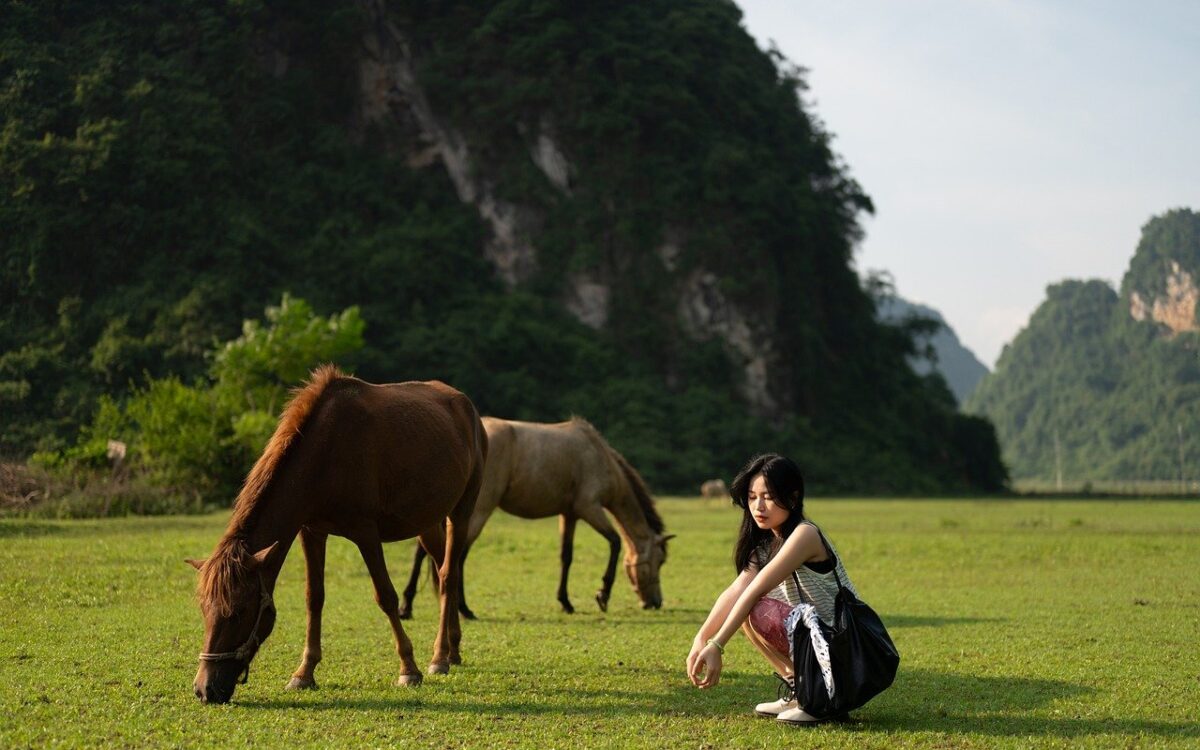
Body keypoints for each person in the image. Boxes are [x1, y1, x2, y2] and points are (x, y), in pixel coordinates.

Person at [685, 453, 859, 725]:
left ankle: (820, 702)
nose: (758, 506)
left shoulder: (805, 534)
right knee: (743, 610)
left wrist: (718, 644)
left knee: (754, 606)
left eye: (768, 496)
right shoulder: (768, 544)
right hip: (820, 644)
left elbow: (753, 591)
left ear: (792, 497)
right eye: (753, 497)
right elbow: (735, 590)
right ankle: (801, 690)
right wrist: (701, 639)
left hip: (847, 648)